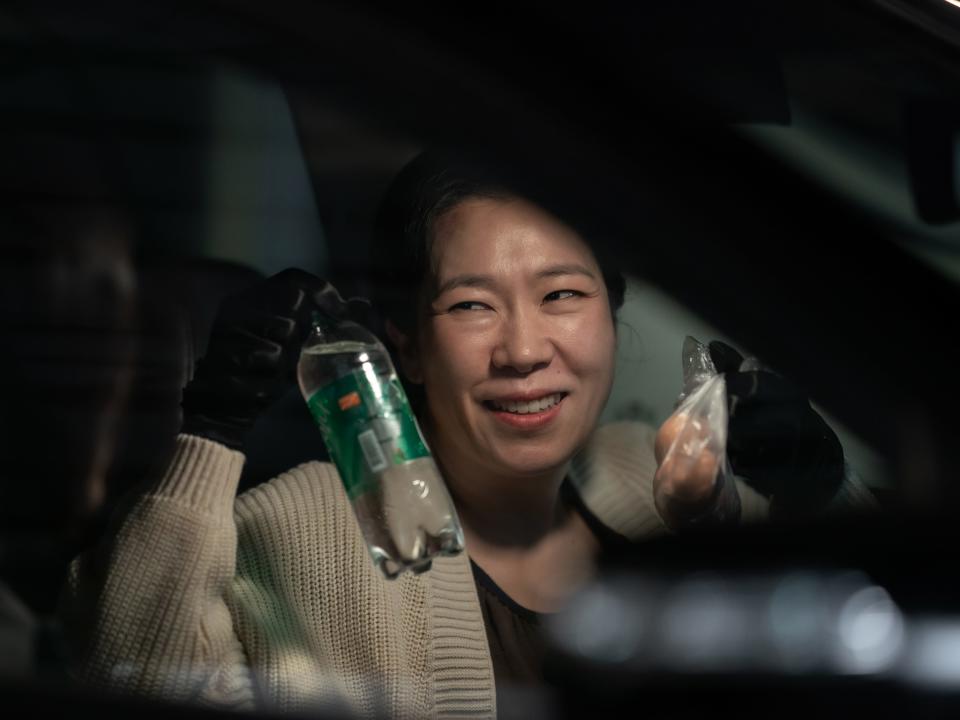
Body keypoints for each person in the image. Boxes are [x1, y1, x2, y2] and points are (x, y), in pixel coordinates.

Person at [58, 150, 874, 718]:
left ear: (612, 316)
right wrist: (208, 437)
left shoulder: (661, 482)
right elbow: (126, 676)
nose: (523, 351)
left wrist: (814, 494)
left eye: (562, 296)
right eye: (471, 305)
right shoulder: (297, 531)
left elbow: (862, 647)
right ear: (404, 342)